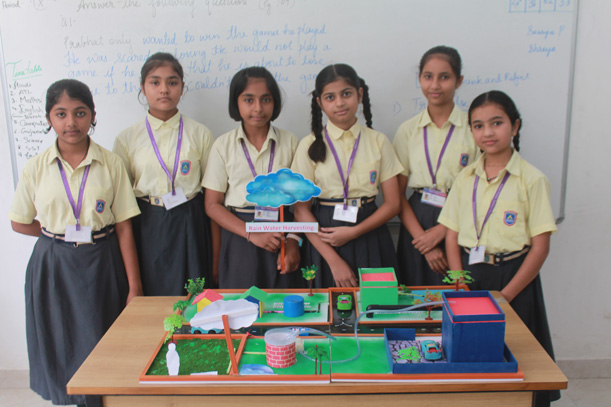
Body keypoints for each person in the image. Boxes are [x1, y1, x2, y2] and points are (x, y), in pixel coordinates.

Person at [9, 79, 142, 406]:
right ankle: (70, 398)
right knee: (61, 336)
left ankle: (101, 399)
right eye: (61, 114)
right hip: (53, 263)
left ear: (93, 115)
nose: (71, 122)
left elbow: (124, 227)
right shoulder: (36, 167)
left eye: (80, 113)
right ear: (49, 118)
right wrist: (55, 236)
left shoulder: (110, 163)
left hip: (102, 259)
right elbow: (19, 221)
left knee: (101, 335)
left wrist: (135, 286)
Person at [438, 90, 559, 406]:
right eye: (478, 126)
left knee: (517, 360)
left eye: (497, 123)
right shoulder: (465, 178)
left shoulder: (531, 179)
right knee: (470, 356)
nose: (487, 133)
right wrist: (459, 281)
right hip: (471, 277)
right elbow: (451, 236)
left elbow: (540, 247)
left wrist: (506, 296)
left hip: (514, 278)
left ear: (515, 126)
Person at [292, 63, 403, 288]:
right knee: (329, 303)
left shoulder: (378, 141)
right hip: (324, 236)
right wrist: (333, 260)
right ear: (319, 103)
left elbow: (393, 204)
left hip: (369, 230)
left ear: (359, 94)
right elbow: (301, 210)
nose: (340, 103)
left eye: (346, 94)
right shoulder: (308, 145)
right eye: (330, 97)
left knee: (376, 303)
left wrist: (354, 232)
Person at [114, 52, 215, 295]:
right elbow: (122, 198)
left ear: (182, 87)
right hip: (147, 222)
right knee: (152, 293)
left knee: (194, 295)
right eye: (155, 82)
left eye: (172, 82)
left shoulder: (200, 133)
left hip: (190, 219)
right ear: (143, 88)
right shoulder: (127, 138)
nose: (164, 90)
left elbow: (211, 191)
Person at [203, 66, 301, 288]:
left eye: (266, 99)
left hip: (282, 232)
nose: (258, 108)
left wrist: (294, 240)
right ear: (235, 103)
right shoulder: (223, 145)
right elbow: (212, 205)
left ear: (275, 102)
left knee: (282, 304)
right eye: (249, 100)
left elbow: (302, 203)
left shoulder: (291, 142)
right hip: (240, 235)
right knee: (242, 305)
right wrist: (252, 234)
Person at [392, 45, 479, 286]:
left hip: (462, 218)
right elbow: (397, 196)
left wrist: (442, 231)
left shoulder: (474, 128)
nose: (435, 85)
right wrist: (425, 243)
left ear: (459, 81)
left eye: (445, 77)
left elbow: (480, 192)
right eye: (428, 76)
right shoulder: (408, 131)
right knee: (416, 298)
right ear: (420, 79)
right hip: (416, 222)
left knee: (458, 293)